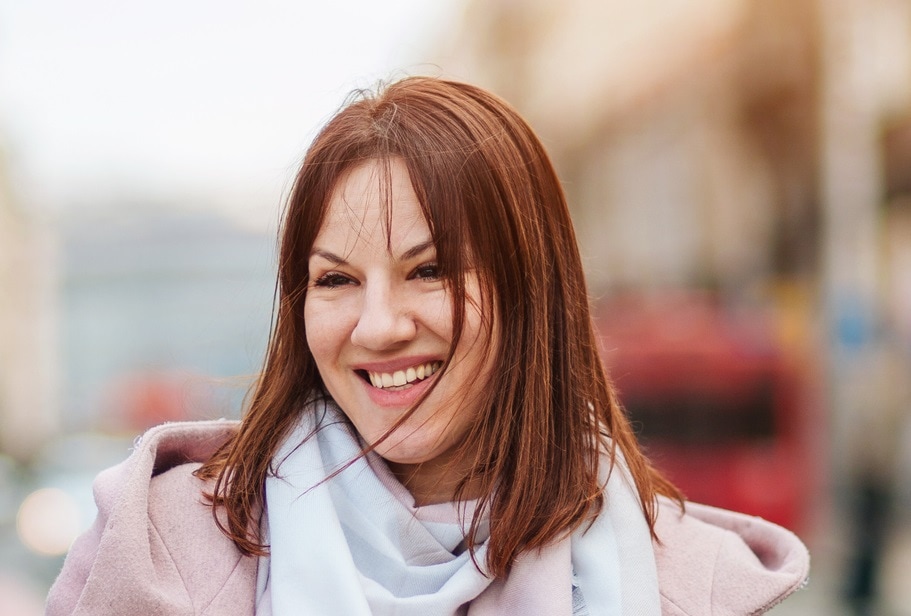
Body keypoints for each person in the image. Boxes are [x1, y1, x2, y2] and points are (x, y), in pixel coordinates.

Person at [46, 76, 809, 616]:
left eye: (429, 269)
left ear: (531, 293)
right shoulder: (157, 550)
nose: (378, 325)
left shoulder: (693, 587)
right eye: (337, 281)